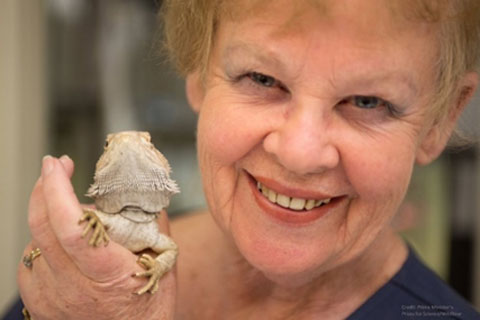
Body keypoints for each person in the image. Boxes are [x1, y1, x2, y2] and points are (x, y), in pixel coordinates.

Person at [16, 0, 480, 319]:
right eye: (261, 78)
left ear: (440, 120)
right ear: (196, 72)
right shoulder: (83, 282)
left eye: (367, 102)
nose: (299, 154)